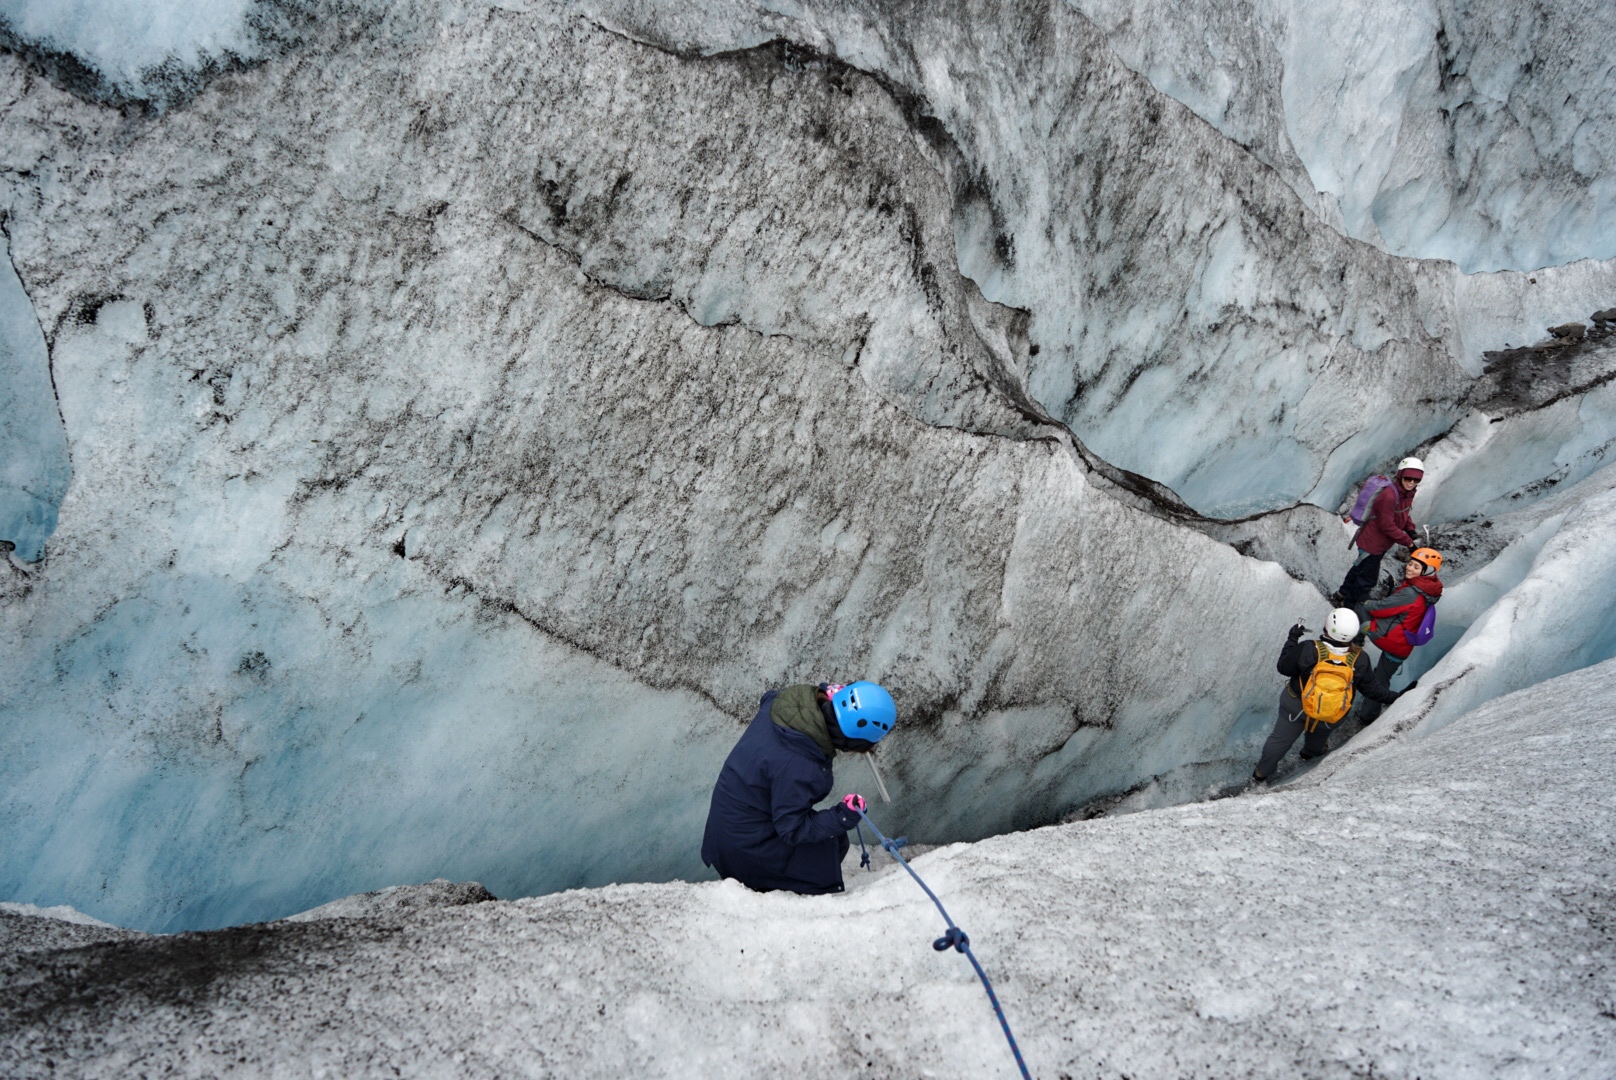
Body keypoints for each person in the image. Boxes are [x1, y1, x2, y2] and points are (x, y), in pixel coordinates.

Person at [701, 680, 896, 895]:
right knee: (828, 850)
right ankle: (776, 899)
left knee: (833, 838)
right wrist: (842, 816)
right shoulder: (801, 765)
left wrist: (827, 695)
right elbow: (792, 829)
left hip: (728, 821)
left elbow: (768, 696)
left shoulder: (786, 703)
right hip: (743, 846)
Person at [1252, 609, 1411, 782]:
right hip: (1333, 712)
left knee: (1279, 739)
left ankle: (1261, 773)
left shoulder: (1308, 648)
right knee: (1319, 735)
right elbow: (1372, 690)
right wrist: (1395, 697)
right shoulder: (1359, 659)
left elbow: (1284, 667)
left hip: (1297, 705)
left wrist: (1292, 639)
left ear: (1328, 626)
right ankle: (1309, 755)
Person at [1355, 547, 1442, 725]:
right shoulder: (1430, 589)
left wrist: (1367, 602)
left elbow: (1379, 609)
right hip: (1402, 647)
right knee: (1381, 677)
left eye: (1416, 567)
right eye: (1410, 564)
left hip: (1386, 638)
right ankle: (1367, 716)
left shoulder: (1411, 592)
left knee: (1359, 607)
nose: (1409, 568)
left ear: (1427, 571)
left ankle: (1355, 644)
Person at [1334, 457, 1425, 607]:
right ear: (1401, 475)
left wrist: (1410, 529)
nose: (1412, 482)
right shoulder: (1389, 496)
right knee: (1367, 580)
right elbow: (1387, 526)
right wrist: (1408, 543)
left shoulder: (1408, 493)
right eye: (1408, 478)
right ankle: (1348, 606)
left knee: (1359, 568)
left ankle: (1342, 593)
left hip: (1379, 544)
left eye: (1416, 480)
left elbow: (1404, 513)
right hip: (1372, 544)